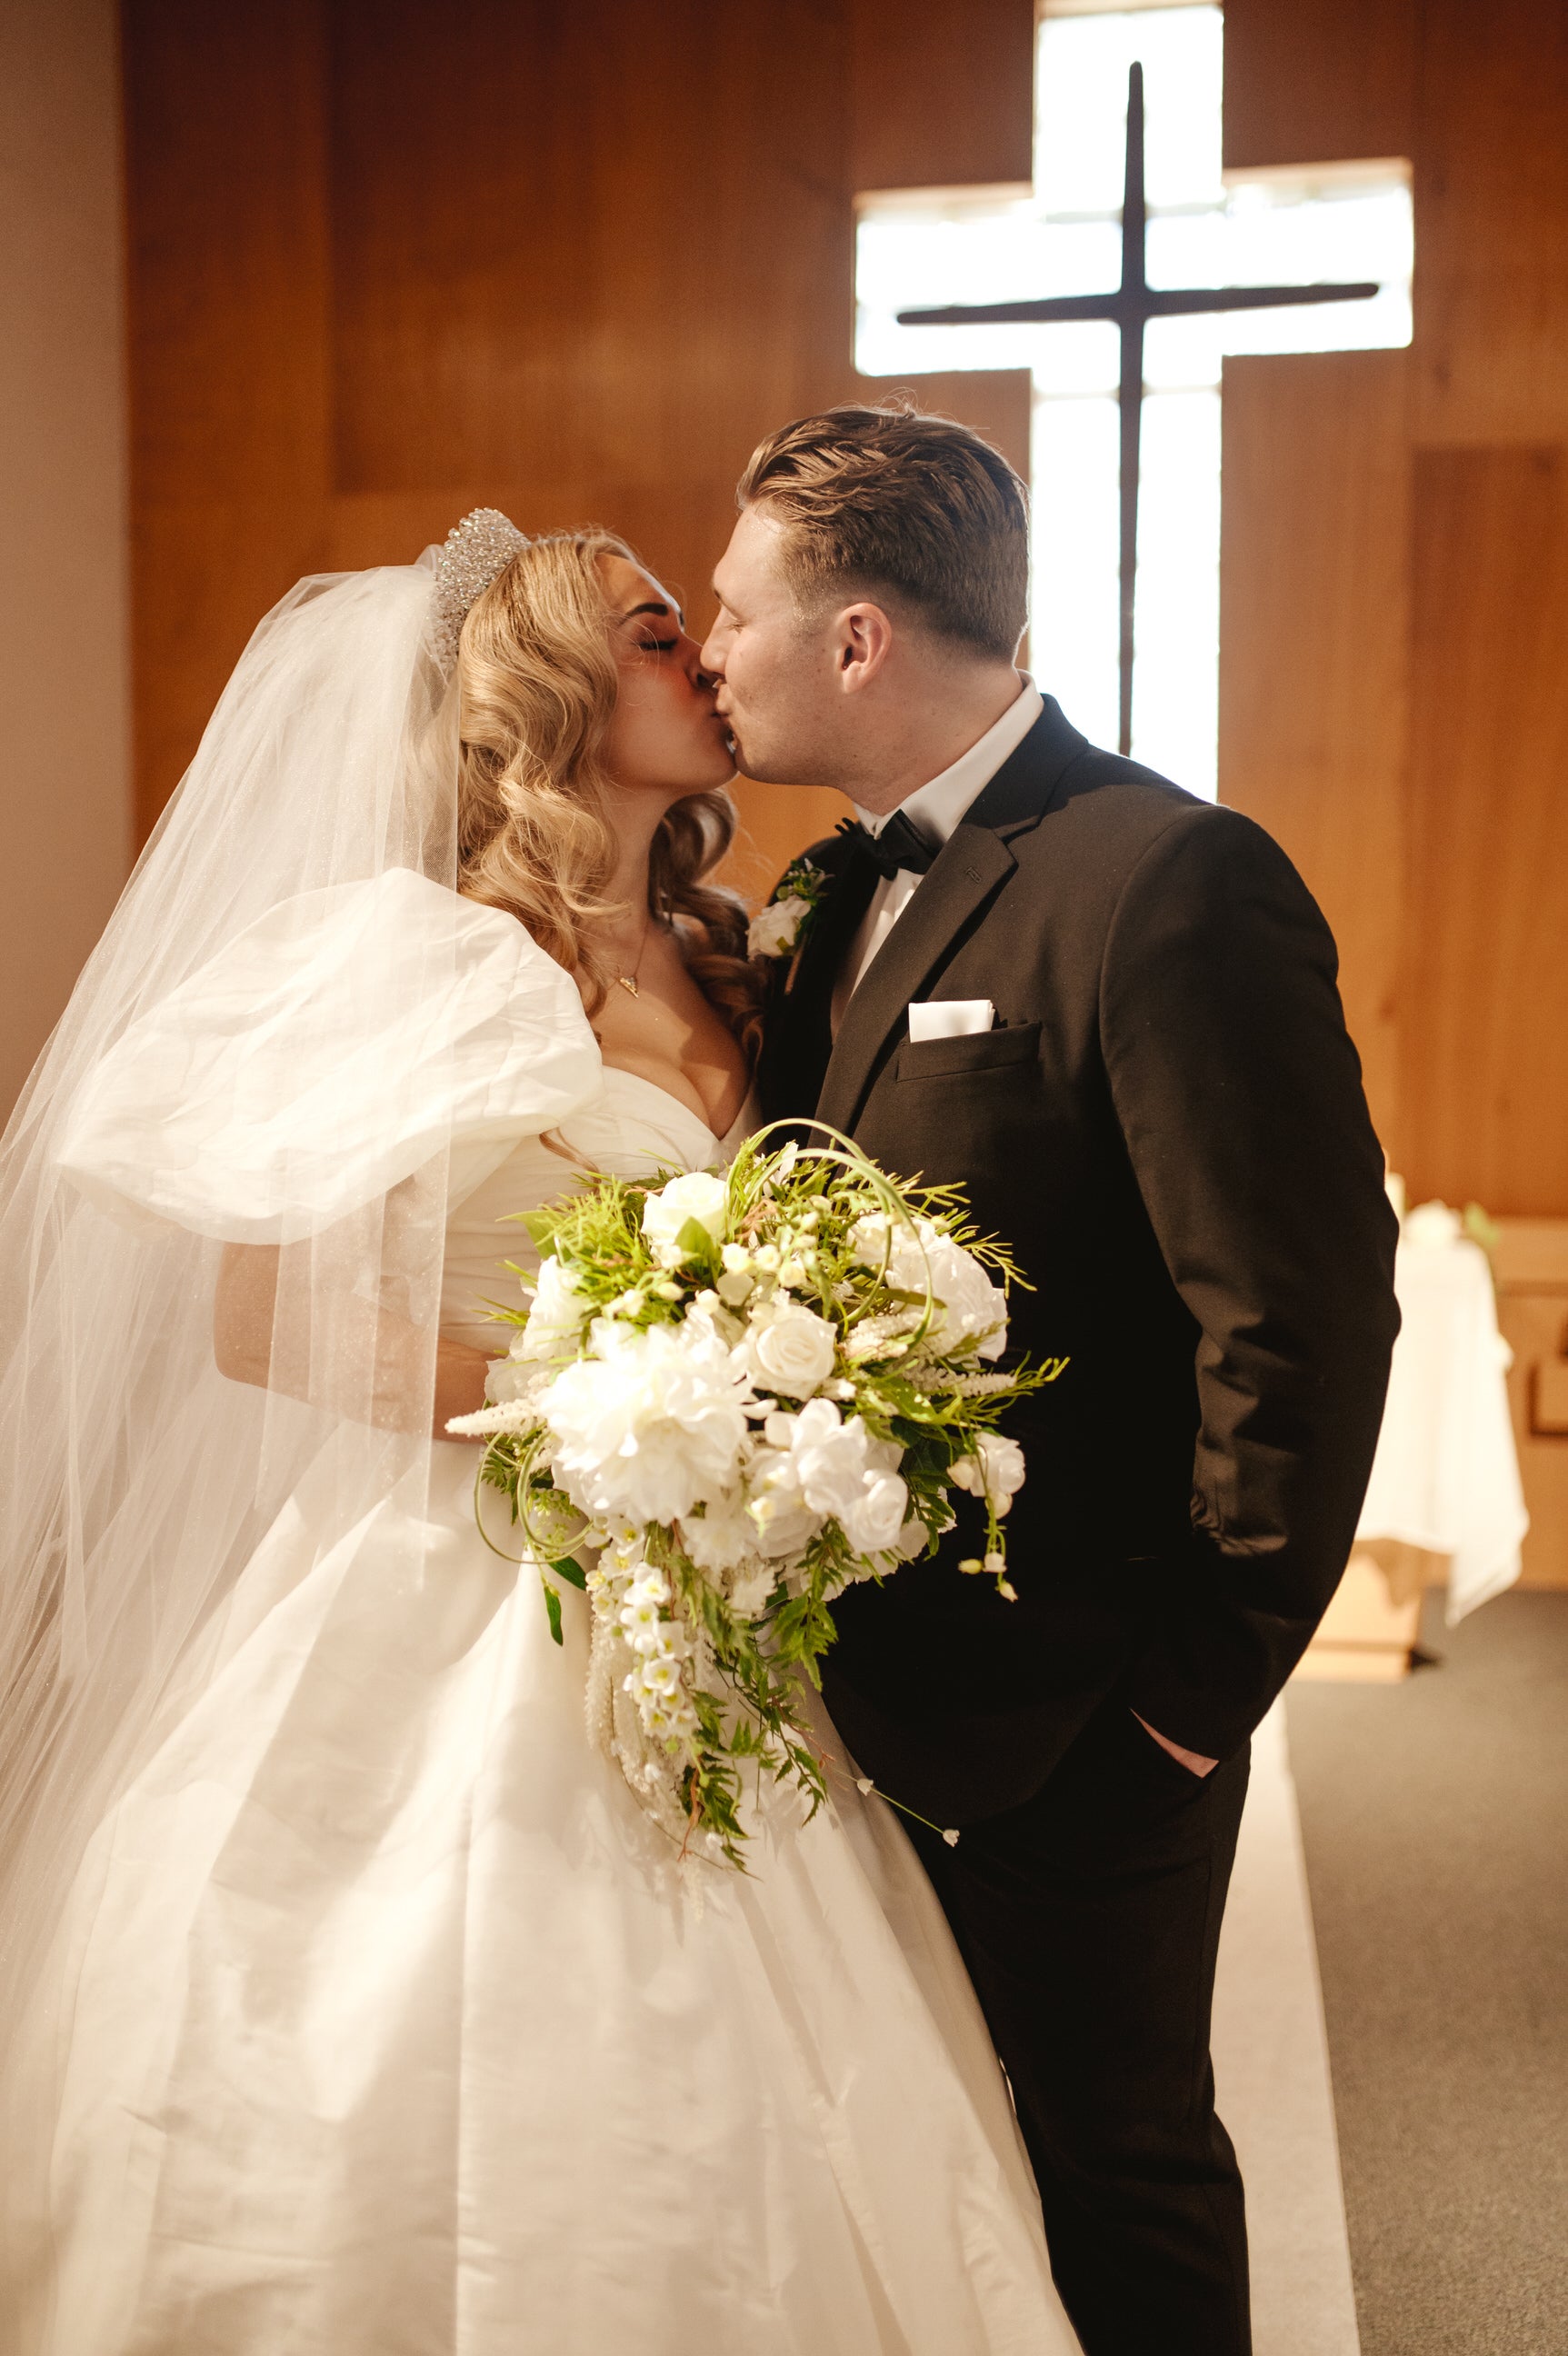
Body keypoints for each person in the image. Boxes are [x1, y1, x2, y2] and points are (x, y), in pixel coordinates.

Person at [0, 515, 1076, 2352]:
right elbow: (266, 1318)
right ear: (557, 697)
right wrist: (600, 1414)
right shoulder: (426, 955)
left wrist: (746, 1428)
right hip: (454, 1572)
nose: (710, 662)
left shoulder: (743, 957)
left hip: (687, 1589)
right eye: (663, 635)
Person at [705, 400, 1401, 2356]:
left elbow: (1297, 1320)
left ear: (856, 638)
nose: (711, 649)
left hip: (1082, 1721)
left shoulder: (1161, 878)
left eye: (737, 610)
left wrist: (1187, 1700)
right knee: (921, 2161)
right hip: (852, 1706)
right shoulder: (835, 898)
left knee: (1115, 2166)